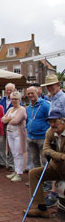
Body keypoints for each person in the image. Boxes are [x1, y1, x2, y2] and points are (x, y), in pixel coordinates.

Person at [23, 109, 65, 219]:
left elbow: (48, 151)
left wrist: (53, 154)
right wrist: (61, 156)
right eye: (50, 122)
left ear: (62, 121)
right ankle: (41, 209)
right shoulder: (50, 132)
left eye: (55, 121)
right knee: (33, 173)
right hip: (57, 167)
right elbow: (45, 151)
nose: (52, 125)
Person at [41, 74, 65, 206]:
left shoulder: (63, 98)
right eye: (48, 86)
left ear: (58, 85)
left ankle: (56, 192)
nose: (50, 88)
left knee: (59, 161)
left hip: (61, 133)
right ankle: (54, 191)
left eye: (52, 85)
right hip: (54, 132)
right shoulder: (53, 98)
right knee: (53, 159)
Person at [1, 91, 27, 182]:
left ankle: (19, 173)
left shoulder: (22, 109)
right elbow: (2, 119)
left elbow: (15, 121)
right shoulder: (10, 109)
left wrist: (8, 119)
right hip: (10, 134)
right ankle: (16, 171)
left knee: (18, 153)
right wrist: (9, 119)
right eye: (12, 99)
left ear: (20, 99)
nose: (14, 101)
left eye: (16, 99)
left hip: (18, 134)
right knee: (13, 153)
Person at [26, 86, 50, 168]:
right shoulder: (28, 107)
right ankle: (36, 179)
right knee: (34, 160)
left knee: (44, 160)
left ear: (37, 93)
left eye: (32, 93)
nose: (30, 95)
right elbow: (28, 120)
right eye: (28, 93)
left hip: (42, 137)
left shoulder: (45, 105)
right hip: (31, 137)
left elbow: (50, 120)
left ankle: (47, 180)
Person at [0, 83, 17, 171]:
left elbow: (16, 114)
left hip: (12, 126)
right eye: (7, 90)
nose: (9, 92)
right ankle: (2, 162)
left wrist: (7, 119)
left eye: (11, 90)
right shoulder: (2, 100)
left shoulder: (16, 100)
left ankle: (11, 164)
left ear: (14, 90)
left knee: (11, 144)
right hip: (2, 125)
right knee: (1, 143)